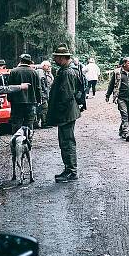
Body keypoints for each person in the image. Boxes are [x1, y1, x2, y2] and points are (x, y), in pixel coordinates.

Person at [48, 44, 82, 182]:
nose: (54, 59)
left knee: (67, 142)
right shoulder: (66, 70)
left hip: (66, 114)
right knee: (65, 142)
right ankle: (68, 169)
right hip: (67, 113)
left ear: (62, 58)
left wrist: (58, 112)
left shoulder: (67, 72)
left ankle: (72, 171)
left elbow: (66, 95)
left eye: (56, 57)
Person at [8, 53, 42, 134]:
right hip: (31, 102)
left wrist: (10, 99)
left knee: (16, 124)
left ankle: (16, 143)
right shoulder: (34, 72)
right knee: (29, 124)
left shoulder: (13, 72)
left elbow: (10, 87)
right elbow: (38, 88)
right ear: (29, 62)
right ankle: (28, 142)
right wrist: (38, 100)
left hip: (17, 103)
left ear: (21, 60)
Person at [106, 57, 129, 141]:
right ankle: (127, 133)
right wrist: (108, 95)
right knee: (124, 115)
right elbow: (111, 84)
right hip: (121, 97)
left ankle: (122, 130)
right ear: (124, 64)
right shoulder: (117, 72)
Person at [38, 60, 54, 127]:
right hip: (42, 94)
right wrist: (44, 93)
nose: (49, 67)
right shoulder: (41, 73)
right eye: (48, 66)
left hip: (42, 94)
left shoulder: (42, 72)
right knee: (44, 108)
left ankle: (39, 122)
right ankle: (44, 123)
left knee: (41, 108)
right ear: (44, 66)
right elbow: (43, 85)